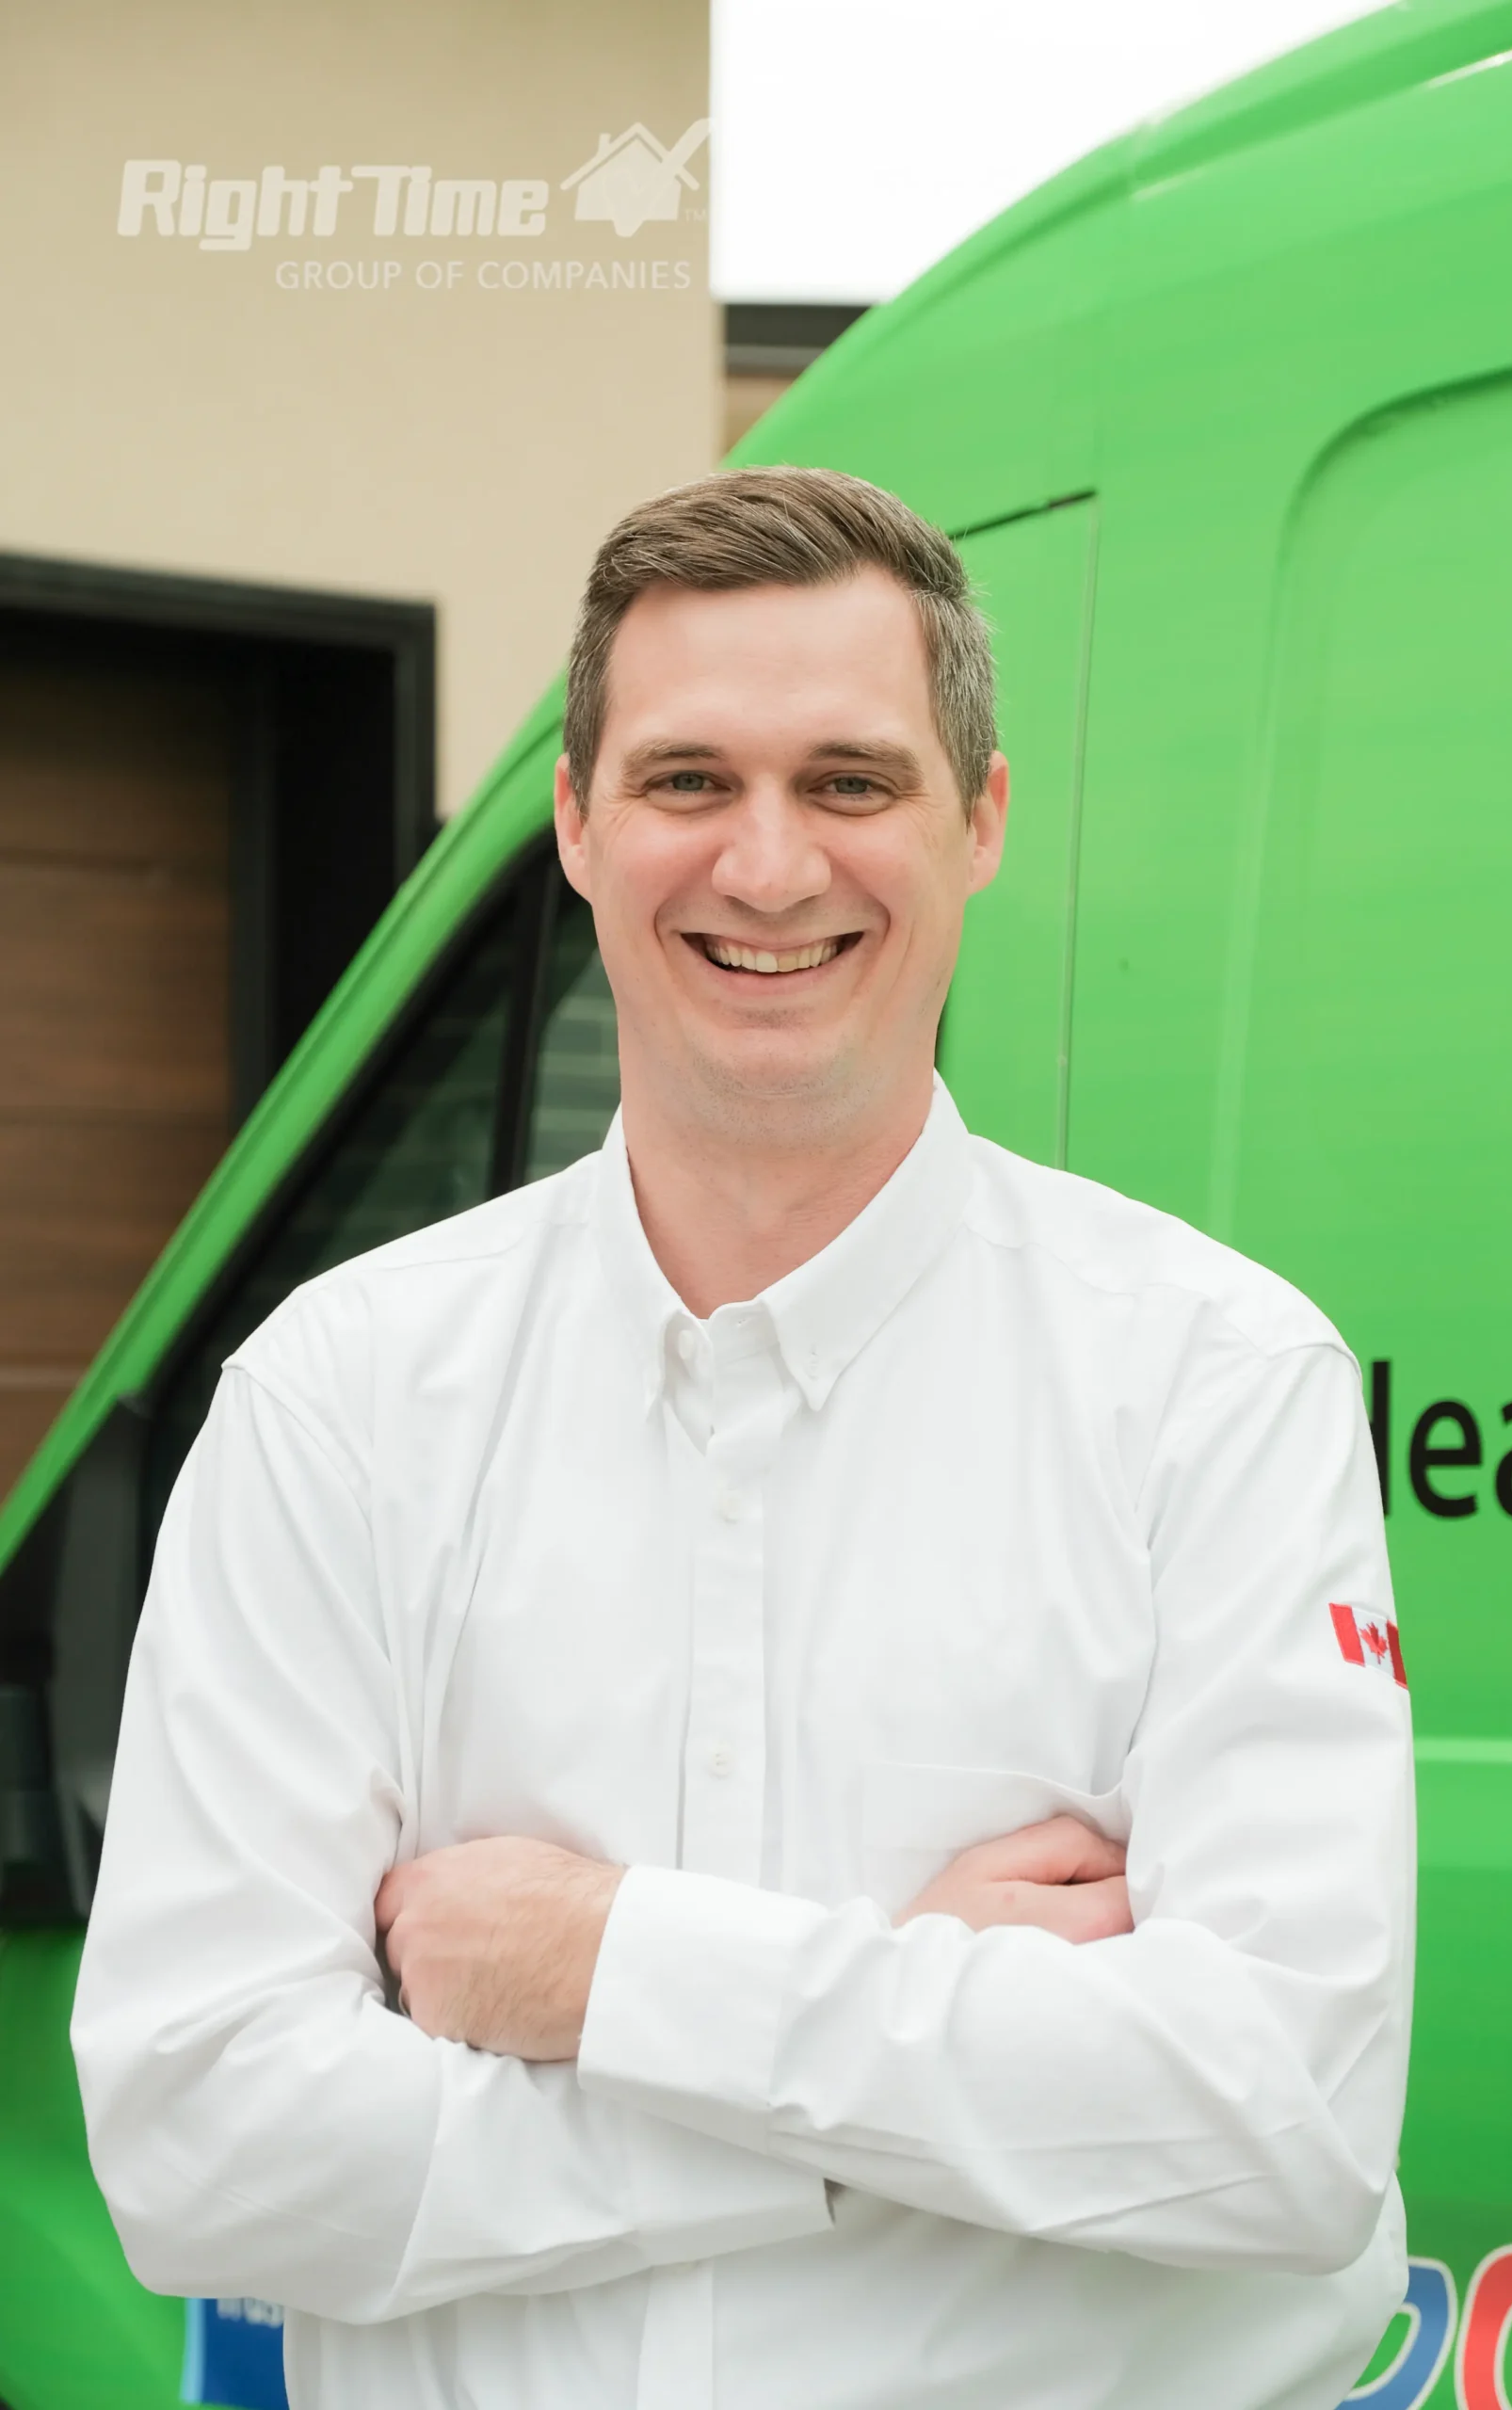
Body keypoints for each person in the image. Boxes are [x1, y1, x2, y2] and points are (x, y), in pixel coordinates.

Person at [72, 466, 1414, 2410]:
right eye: (689, 779)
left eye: (853, 782)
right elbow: (200, 2148)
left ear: (982, 824)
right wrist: (885, 2052)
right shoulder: (340, 1399)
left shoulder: (1210, 1379)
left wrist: (606, 1967)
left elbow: (1283, 2123)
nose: (768, 866)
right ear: (575, 824)